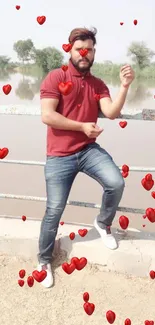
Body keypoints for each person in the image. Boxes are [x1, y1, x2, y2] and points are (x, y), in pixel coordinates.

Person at [37, 27, 135, 288]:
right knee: (54, 209)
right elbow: (47, 115)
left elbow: (111, 112)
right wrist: (81, 126)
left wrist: (124, 86)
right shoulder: (55, 77)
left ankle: (103, 223)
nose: (84, 53)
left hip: (88, 150)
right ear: (69, 48)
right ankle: (44, 260)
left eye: (89, 49)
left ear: (93, 53)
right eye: (79, 48)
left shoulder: (98, 84)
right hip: (59, 155)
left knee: (116, 182)